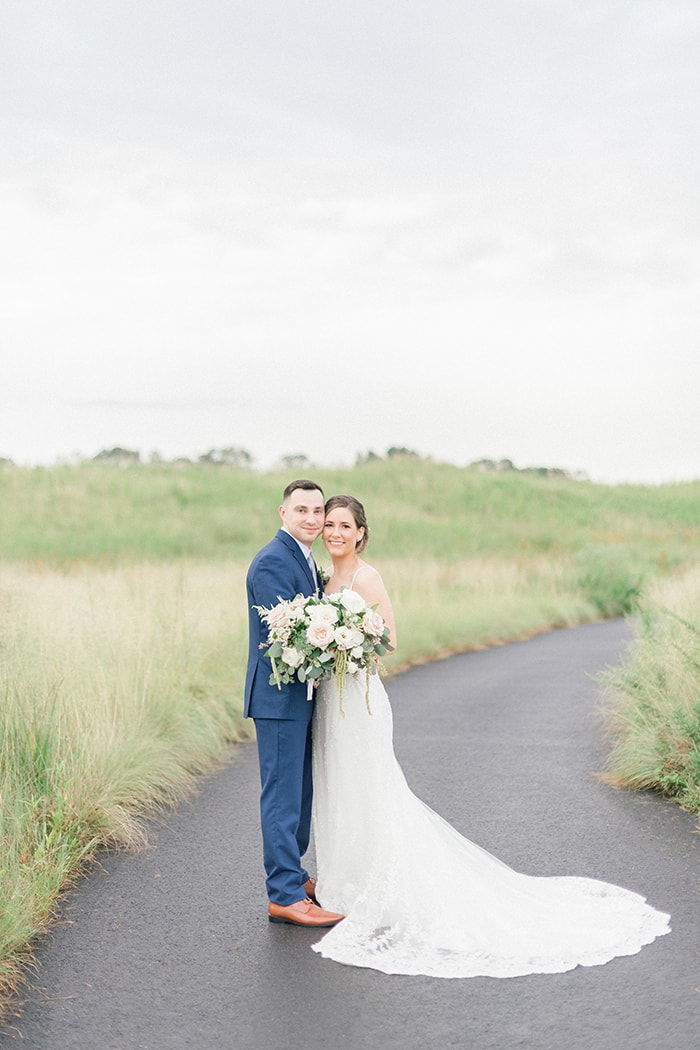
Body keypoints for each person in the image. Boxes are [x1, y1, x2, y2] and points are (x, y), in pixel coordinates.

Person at [310, 493, 671, 977]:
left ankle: (375, 883)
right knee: (340, 786)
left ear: (360, 533)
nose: (334, 532)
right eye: (328, 524)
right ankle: (343, 878)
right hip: (332, 701)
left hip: (361, 698)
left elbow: (390, 640)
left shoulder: (366, 577)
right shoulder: (324, 577)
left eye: (343, 525)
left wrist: (345, 641)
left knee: (370, 787)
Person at [245, 480, 344, 928]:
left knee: (298, 795)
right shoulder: (271, 562)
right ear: (282, 513)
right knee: (282, 797)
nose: (311, 517)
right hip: (279, 696)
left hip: (299, 695)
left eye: (317, 510)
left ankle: (296, 875)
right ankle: (284, 895)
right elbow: (286, 634)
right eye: (301, 509)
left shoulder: (303, 558)